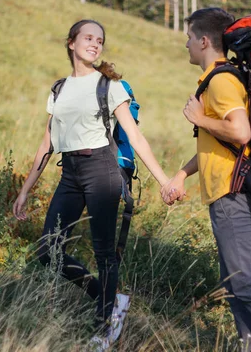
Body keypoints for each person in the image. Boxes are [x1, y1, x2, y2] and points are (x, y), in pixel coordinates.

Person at [13, 19, 173, 349]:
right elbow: (47, 144)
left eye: (100, 40)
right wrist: (25, 190)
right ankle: (106, 298)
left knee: (104, 254)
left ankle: (103, 331)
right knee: (48, 249)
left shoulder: (109, 85)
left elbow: (136, 137)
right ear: (71, 43)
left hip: (102, 169)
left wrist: (164, 180)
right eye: (88, 38)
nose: (95, 44)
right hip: (69, 172)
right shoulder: (59, 89)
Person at [161, 8, 251, 352]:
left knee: (247, 283)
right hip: (233, 192)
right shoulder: (223, 78)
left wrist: (199, 118)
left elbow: (239, 132)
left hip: (233, 194)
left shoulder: (220, 80)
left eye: (189, 38)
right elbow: (217, 145)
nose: (186, 45)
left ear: (204, 40)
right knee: (236, 283)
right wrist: (181, 174)